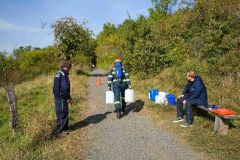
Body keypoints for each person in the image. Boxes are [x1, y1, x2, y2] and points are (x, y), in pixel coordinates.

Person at [53, 60, 72, 134]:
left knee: (60, 113)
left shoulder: (58, 73)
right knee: (63, 113)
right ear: (67, 66)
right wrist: (68, 98)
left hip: (57, 96)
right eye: (70, 66)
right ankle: (61, 131)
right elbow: (65, 88)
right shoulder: (64, 75)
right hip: (62, 97)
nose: (71, 68)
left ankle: (64, 128)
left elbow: (55, 86)